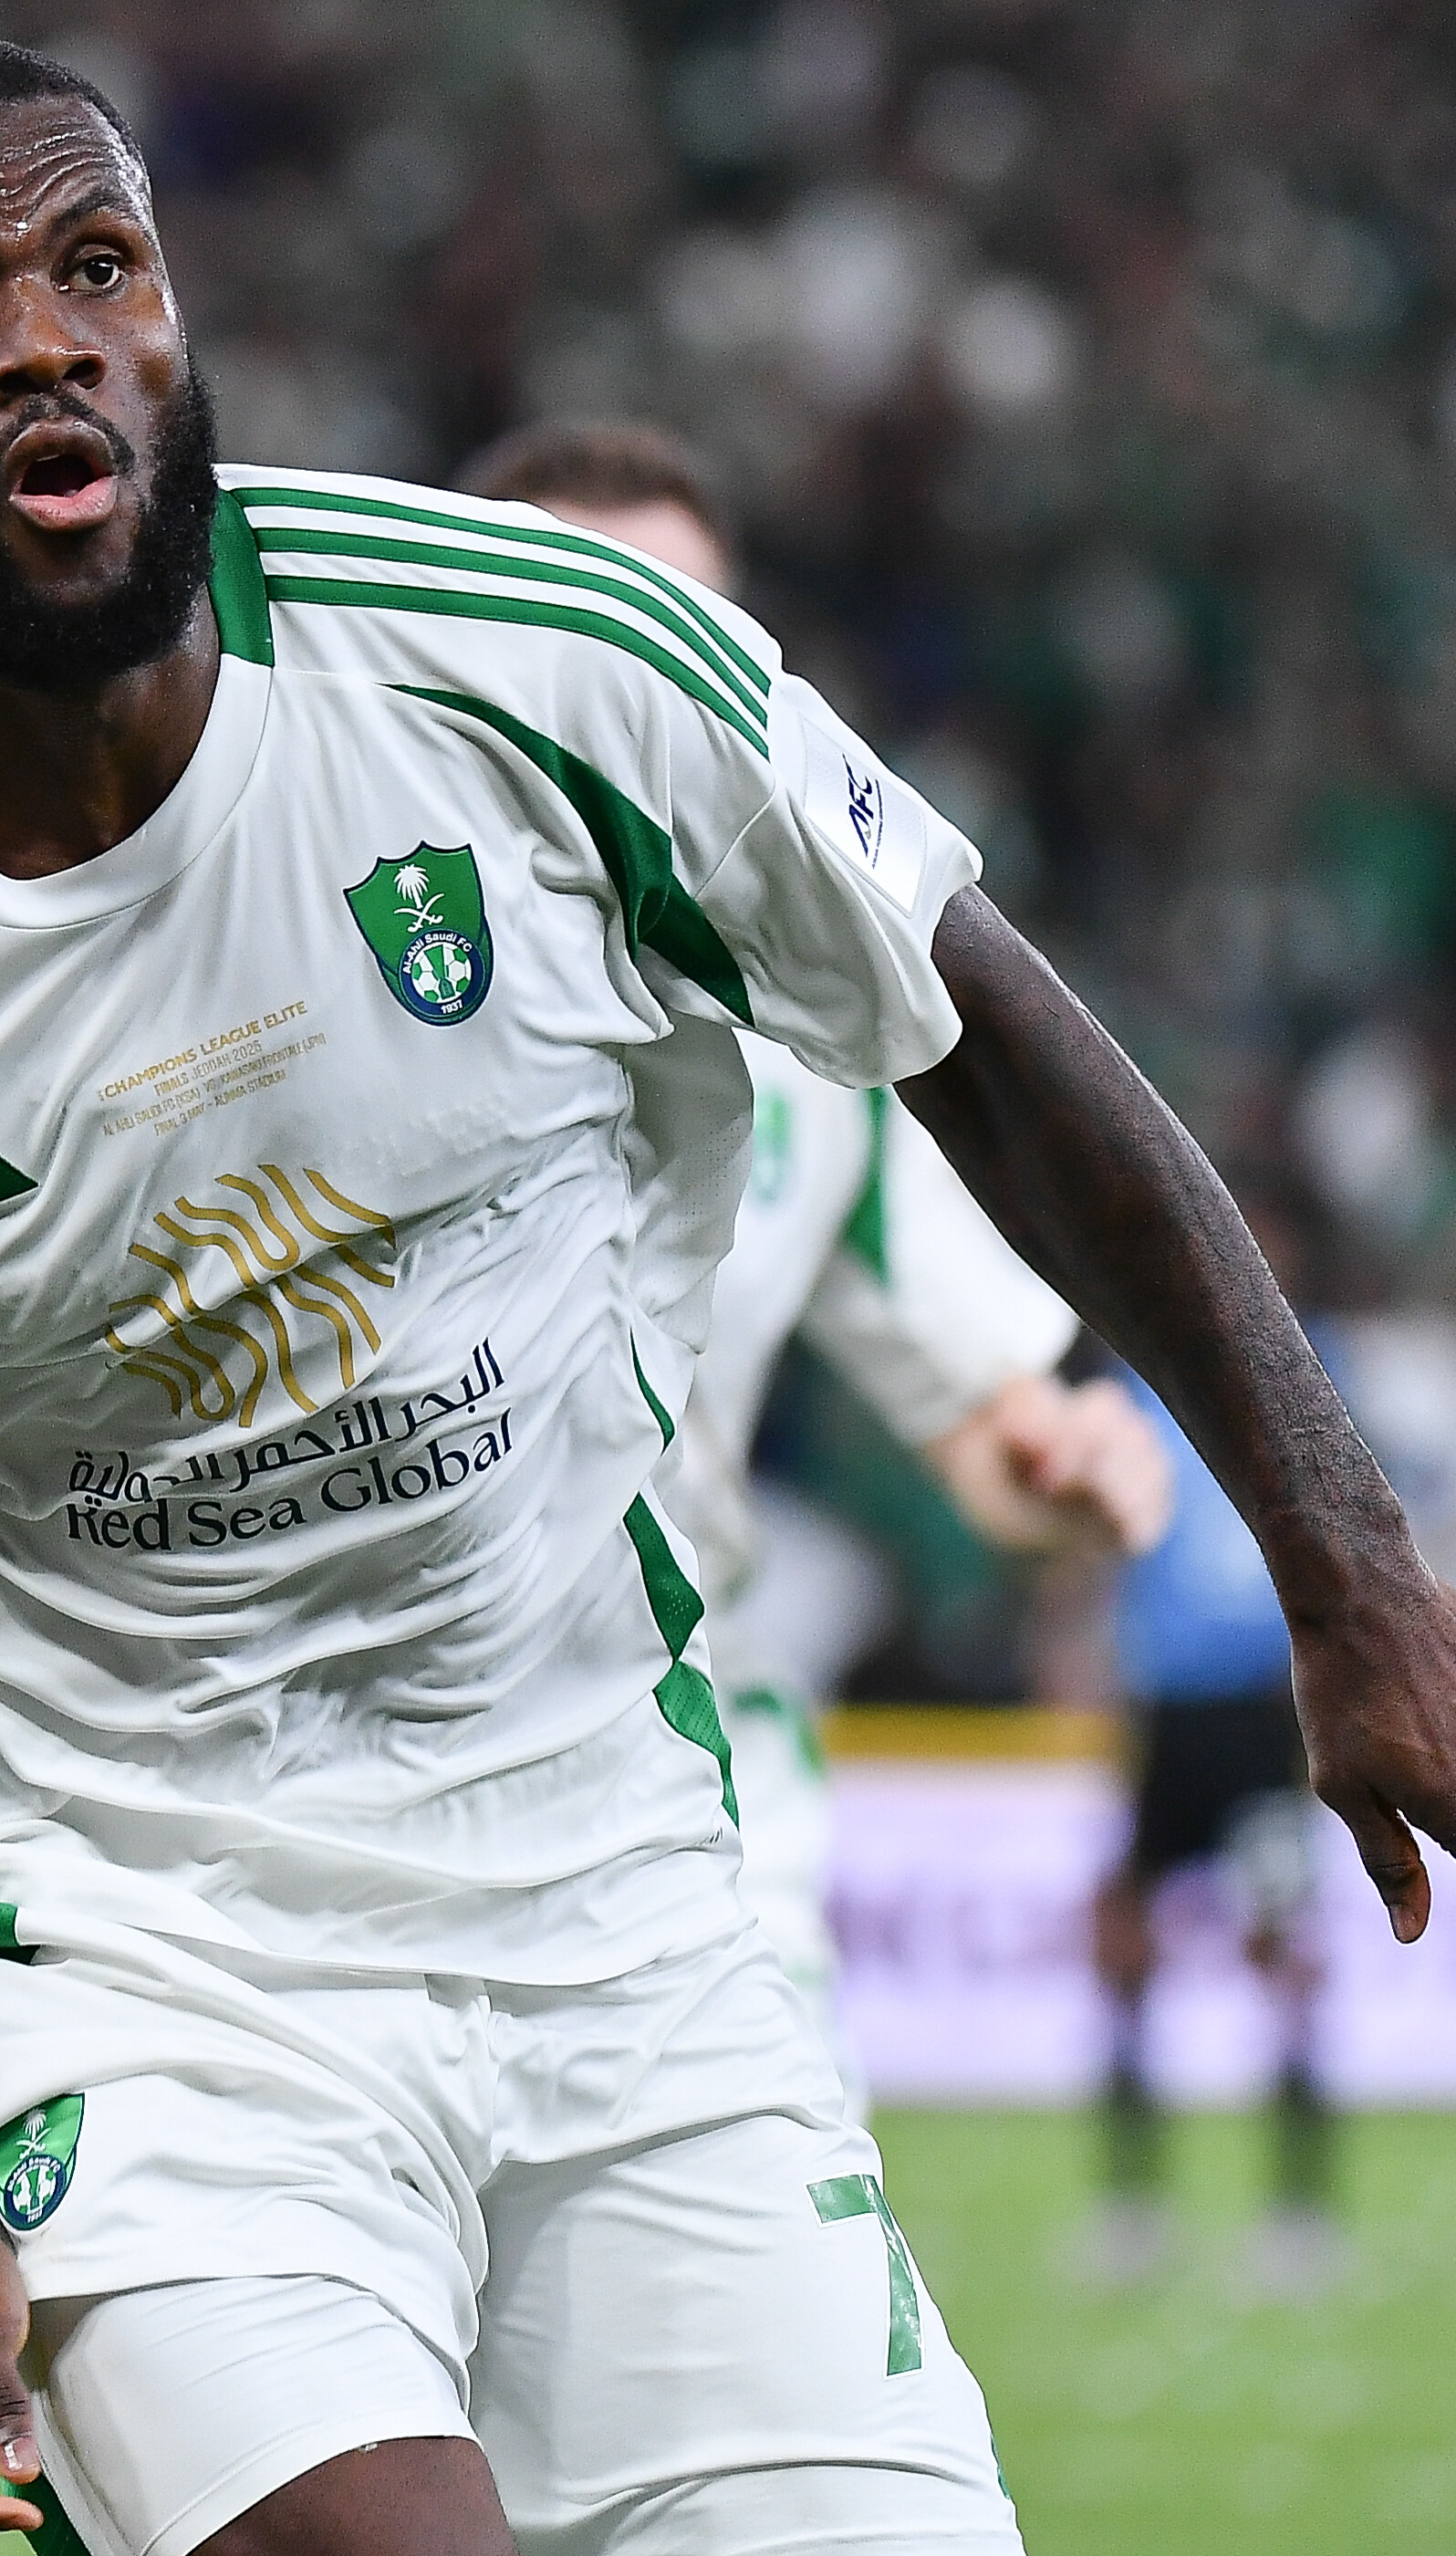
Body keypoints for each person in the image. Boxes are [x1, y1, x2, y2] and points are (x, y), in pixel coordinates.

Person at [0, 34, 1456, 2556]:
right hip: (160, 1988)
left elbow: (987, 1033)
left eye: (98, 264)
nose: (47, 340)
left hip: (641, 1928)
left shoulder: (542, 654)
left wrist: (1350, 1566)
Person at [463, 421, 1177, 2082]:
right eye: (579, 631)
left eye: (680, 641)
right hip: (324, 1803)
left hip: (686, 1796)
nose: (637, 699)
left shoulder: (817, 1047)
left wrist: (1065, 1463)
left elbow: (989, 1431)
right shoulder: (301, 975)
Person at [1077, 1374, 1338, 2291]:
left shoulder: (1292, 1381)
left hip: (1258, 1718)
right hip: (1169, 1715)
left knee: (1282, 1955)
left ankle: (1298, 2211)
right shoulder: (1139, 1398)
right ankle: (1133, 2207)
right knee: (1124, 1949)